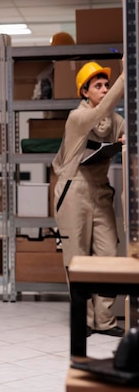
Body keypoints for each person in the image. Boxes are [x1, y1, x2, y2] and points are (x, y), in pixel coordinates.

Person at [52, 60, 125, 338]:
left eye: (107, 84)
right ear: (85, 91)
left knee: (107, 256)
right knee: (78, 259)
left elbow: (126, 128)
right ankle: (84, 320)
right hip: (73, 190)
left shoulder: (114, 121)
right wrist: (124, 76)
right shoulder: (76, 117)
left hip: (100, 190)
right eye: (98, 85)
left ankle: (104, 321)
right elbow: (100, 112)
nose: (105, 89)